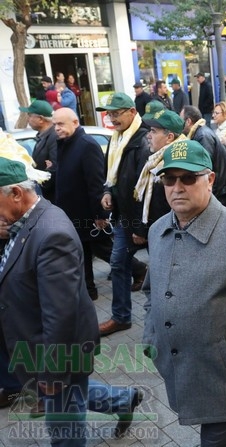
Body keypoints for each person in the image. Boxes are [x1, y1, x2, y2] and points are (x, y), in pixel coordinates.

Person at [142, 139, 226, 447]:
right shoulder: (157, 230)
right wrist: (151, 336)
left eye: (188, 178)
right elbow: (151, 291)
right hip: (179, 370)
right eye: (169, 179)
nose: (177, 187)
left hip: (225, 383)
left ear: (210, 180)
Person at [0, 157, 99, 446]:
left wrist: (52, 374)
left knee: (64, 433)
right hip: (41, 351)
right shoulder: (23, 220)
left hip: (57, 358)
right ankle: (124, 399)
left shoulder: (51, 234)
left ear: (16, 194)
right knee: (77, 396)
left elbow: (60, 315)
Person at [96, 92, 150, 336]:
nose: (112, 118)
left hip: (141, 219)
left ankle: (159, 318)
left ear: (132, 111)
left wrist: (140, 228)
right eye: (109, 114)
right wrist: (107, 192)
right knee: (118, 264)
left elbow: (145, 187)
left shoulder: (144, 139)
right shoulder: (115, 138)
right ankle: (121, 317)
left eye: (117, 113)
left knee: (160, 271)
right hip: (121, 216)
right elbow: (112, 176)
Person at [51, 107, 110, 301]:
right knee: (82, 251)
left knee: (102, 248)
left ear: (75, 123)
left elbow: (96, 182)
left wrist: (100, 214)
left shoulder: (86, 145)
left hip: (86, 212)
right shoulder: (64, 143)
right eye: (55, 125)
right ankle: (88, 289)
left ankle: (138, 269)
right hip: (71, 211)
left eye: (61, 124)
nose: (57, 128)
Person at [182, 105, 226, 209]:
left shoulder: (203, 135)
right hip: (220, 189)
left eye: (181, 120)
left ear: (188, 121)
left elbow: (205, 166)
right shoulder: (200, 132)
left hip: (220, 191)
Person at [19, 100, 58, 201]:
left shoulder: (54, 137)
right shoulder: (42, 136)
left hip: (53, 197)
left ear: (41, 119)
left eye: (29, 115)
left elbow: (54, 169)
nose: (27, 119)